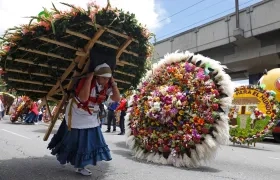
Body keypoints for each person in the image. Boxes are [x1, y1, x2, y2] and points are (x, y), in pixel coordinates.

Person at [47, 63, 120, 176]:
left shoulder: (107, 85)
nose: (106, 81)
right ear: (97, 76)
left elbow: (116, 99)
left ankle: (81, 166)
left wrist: (113, 83)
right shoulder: (87, 82)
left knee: (89, 143)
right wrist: (89, 79)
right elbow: (84, 98)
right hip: (77, 114)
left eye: (107, 79)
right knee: (73, 141)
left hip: (91, 117)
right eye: (104, 78)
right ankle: (65, 157)